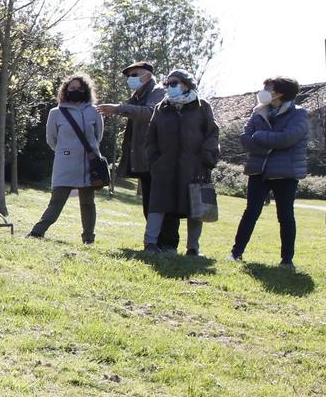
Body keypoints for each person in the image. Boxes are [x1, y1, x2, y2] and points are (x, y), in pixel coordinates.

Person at [140, 69, 220, 257]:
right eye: (168, 84)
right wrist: (154, 160)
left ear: (186, 84)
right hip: (164, 167)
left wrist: (207, 157)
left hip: (194, 167)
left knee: (195, 206)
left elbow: (212, 133)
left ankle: (193, 248)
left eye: (174, 83)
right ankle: (150, 243)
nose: (170, 87)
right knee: (158, 205)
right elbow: (151, 136)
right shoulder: (162, 107)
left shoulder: (202, 106)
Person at [232, 77, 309, 267]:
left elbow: (287, 138)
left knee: (285, 215)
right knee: (251, 212)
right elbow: (245, 139)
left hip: (285, 173)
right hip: (259, 170)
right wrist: (265, 141)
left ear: (280, 92)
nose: (263, 90)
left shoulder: (298, 114)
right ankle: (236, 253)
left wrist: (259, 136)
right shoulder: (258, 112)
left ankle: (287, 260)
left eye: (268, 87)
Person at [28, 74, 105, 245]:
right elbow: (51, 140)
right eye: (72, 89)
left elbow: (98, 136)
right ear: (65, 91)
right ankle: (37, 232)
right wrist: (66, 152)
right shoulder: (55, 113)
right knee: (56, 201)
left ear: (85, 90)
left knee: (87, 203)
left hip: (88, 164)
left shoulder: (94, 111)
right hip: (65, 164)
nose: (76, 91)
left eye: (79, 89)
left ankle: (88, 239)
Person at [100, 60, 162, 241]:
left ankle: (163, 243)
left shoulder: (158, 92)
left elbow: (150, 112)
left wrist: (118, 108)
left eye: (134, 75)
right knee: (148, 201)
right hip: (144, 158)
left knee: (158, 202)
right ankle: (154, 241)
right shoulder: (137, 95)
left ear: (148, 75)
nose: (130, 79)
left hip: (156, 158)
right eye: (129, 76)